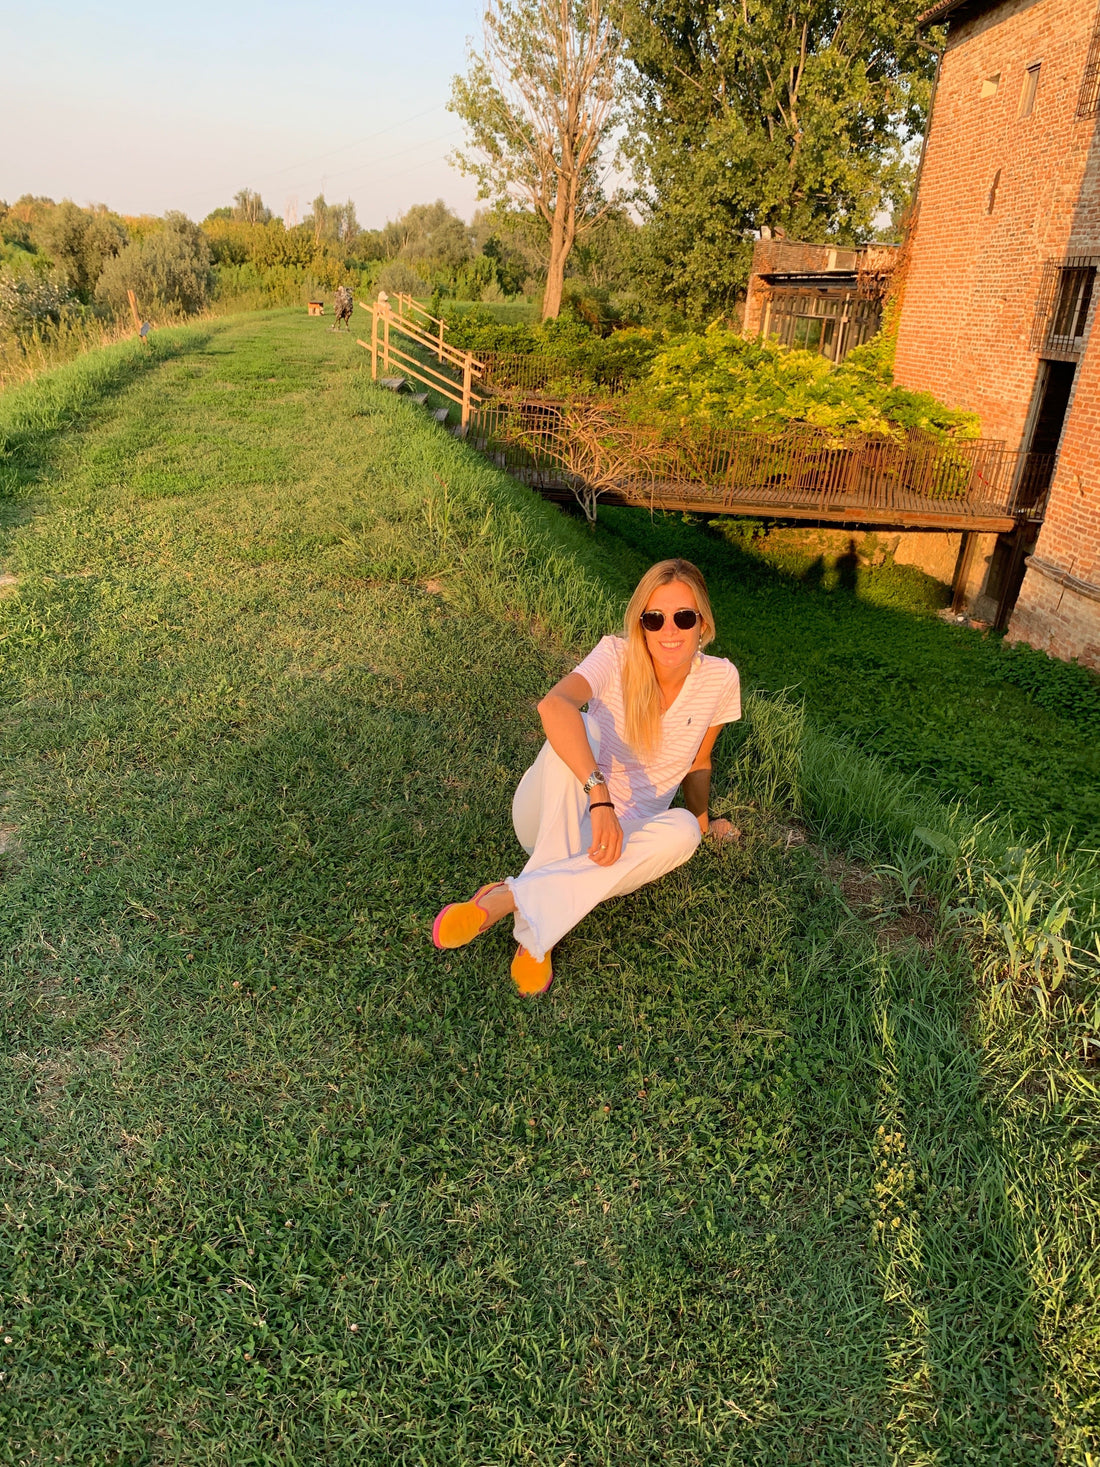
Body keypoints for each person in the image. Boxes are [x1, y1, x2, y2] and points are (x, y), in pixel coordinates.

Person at [432, 558, 741, 995]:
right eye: (655, 619)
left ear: (703, 624)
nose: (669, 631)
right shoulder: (615, 655)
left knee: (684, 832)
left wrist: (705, 824)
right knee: (582, 727)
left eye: (683, 617)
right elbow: (553, 705)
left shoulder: (721, 679)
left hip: (622, 837)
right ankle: (536, 941)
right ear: (641, 624)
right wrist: (599, 797)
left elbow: (699, 762)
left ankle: (508, 897)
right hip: (553, 812)